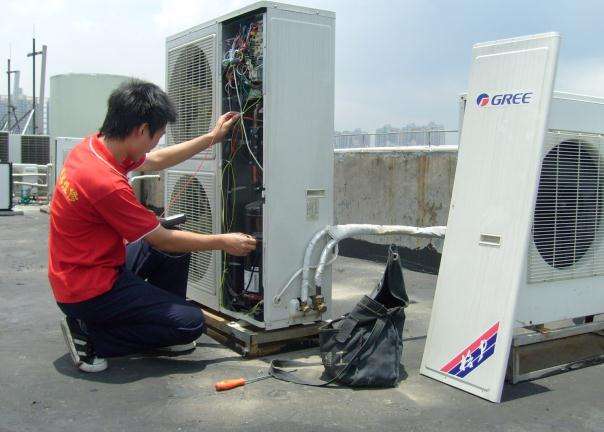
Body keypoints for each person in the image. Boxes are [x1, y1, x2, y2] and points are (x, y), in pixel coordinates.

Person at [49, 79, 256, 372]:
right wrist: (224, 241)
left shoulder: (93, 147)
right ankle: (92, 337)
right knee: (191, 324)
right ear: (141, 130)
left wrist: (212, 137)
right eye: (157, 136)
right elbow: (161, 239)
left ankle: (160, 322)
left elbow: (156, 160)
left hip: (83, 269)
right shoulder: (105, 182)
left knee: (176, 247)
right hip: (89, 290)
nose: (155, 144)